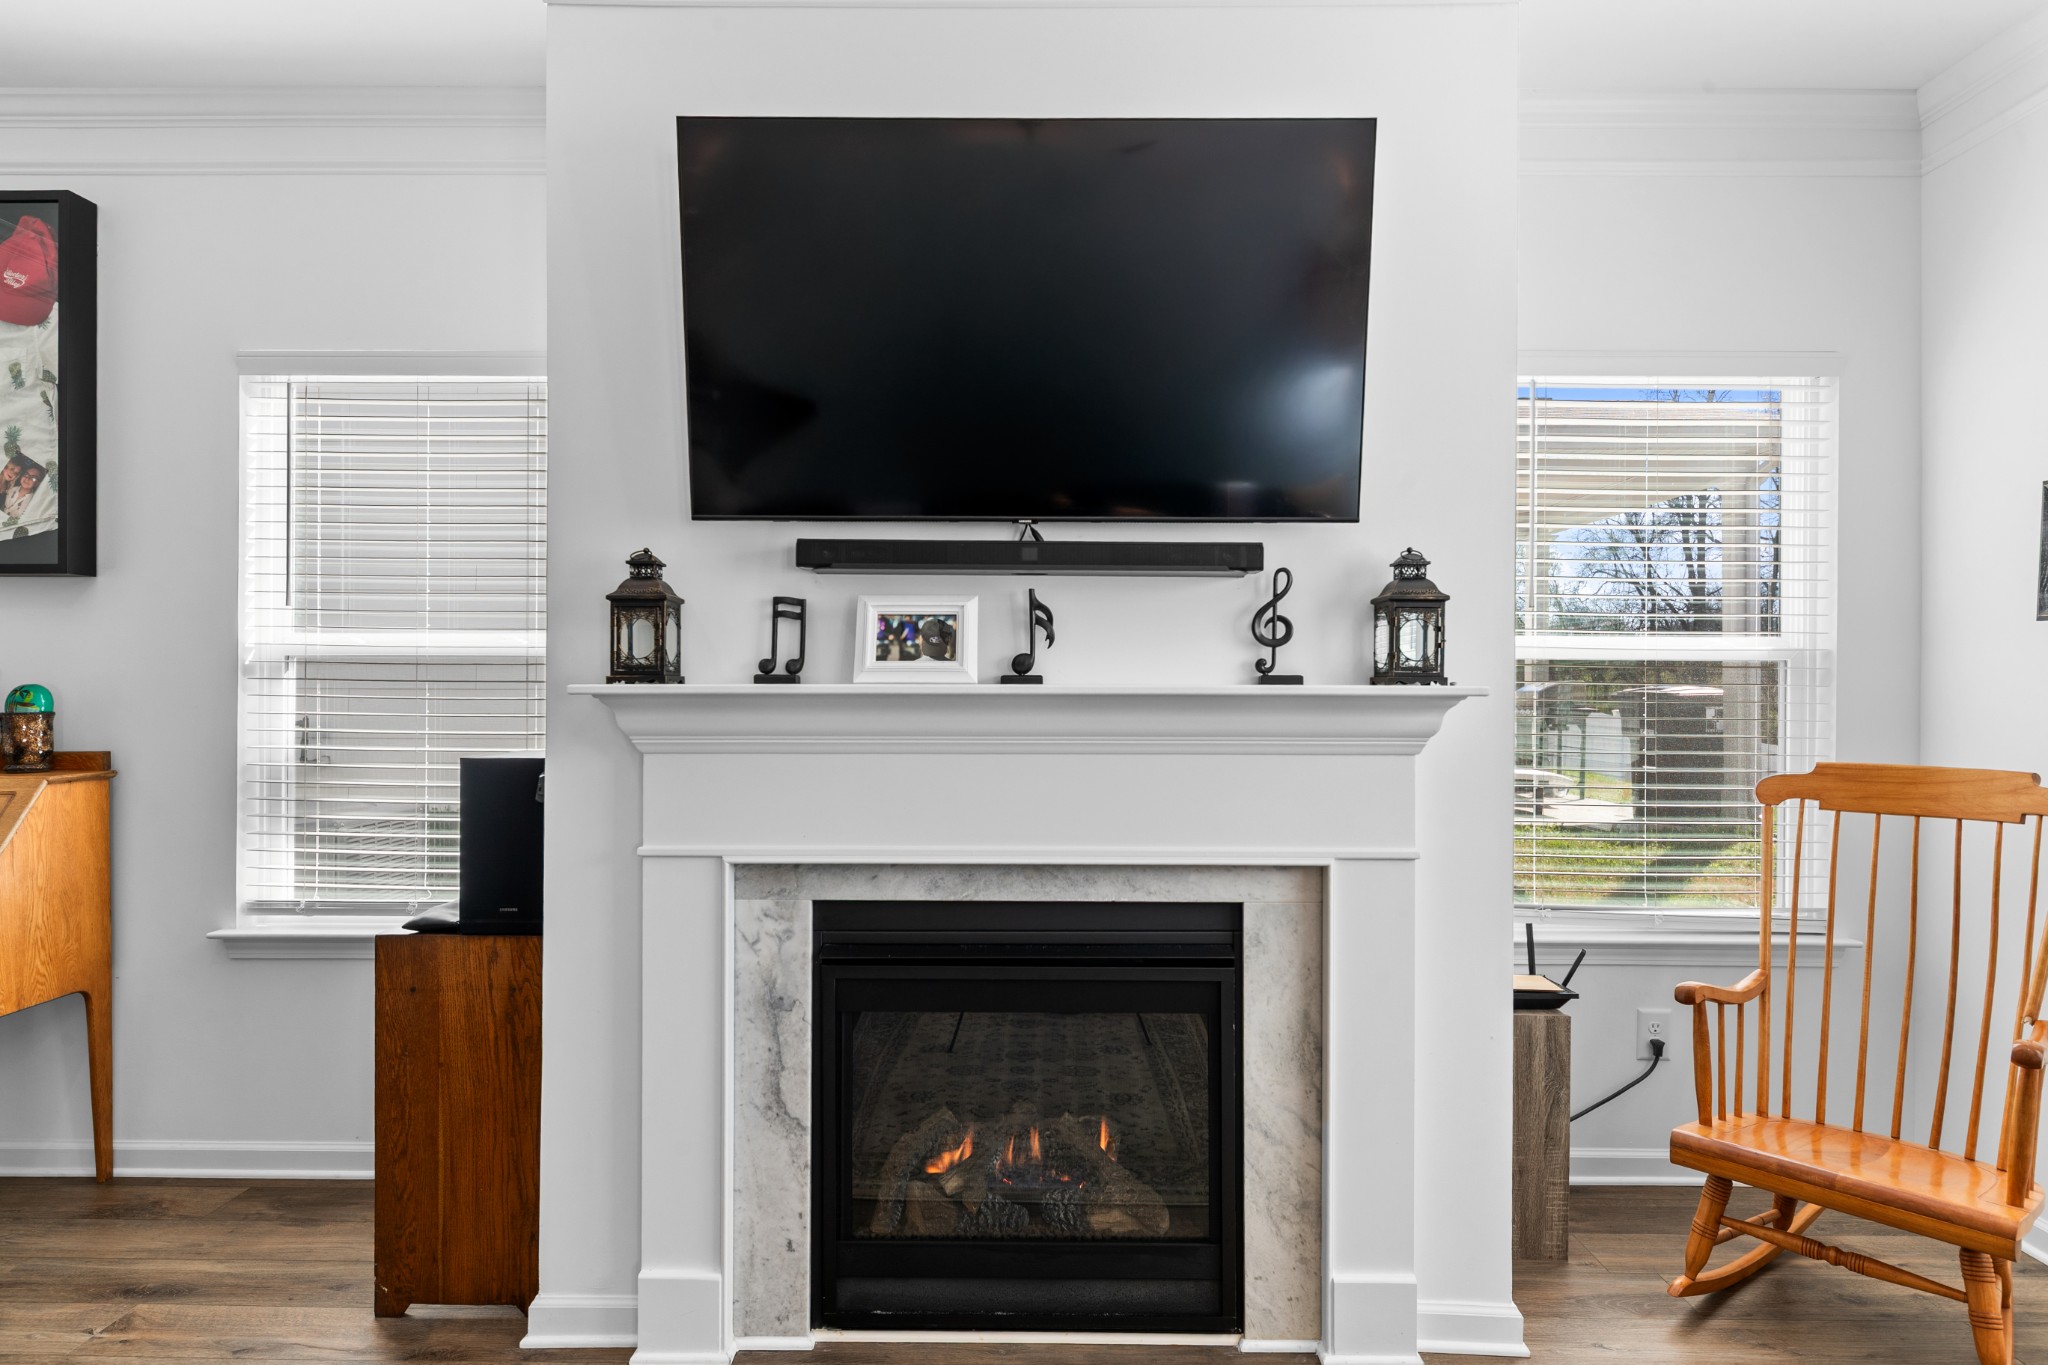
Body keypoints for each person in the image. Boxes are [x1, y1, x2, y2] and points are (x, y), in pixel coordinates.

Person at [2, 456, 43, 521]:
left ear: (37, 483)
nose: (27, 478)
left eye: (33, 478)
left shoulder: (34, 503)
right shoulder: (9, 489)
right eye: (26, 474)